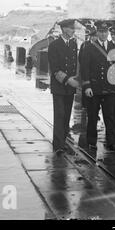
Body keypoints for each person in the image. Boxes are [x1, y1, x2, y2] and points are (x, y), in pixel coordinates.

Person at [80, 21, 115, 151]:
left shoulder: (113, 48)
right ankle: (91, 141)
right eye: (101, 32)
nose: (103, 34)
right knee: (92, 116)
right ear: (97, 32)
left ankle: (112, 142)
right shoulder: (89, 47)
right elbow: (85, 68)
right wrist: (87, 86)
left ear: (108, 32)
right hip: (95, 87)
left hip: (109, 87)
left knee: (110, 116)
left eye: (105, 32)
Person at [47, 18, 79, 154]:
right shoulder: (54, 45)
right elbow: (55, 69)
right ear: (65, 29)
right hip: (59, 86)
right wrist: (68, 80)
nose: (73, 30)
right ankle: (58, 145)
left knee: (66, 115)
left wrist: (76, 80)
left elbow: (74, 65)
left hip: (70, 88)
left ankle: (63, 140)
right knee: (59, 114)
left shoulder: (73, 45)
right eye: (71, 28)